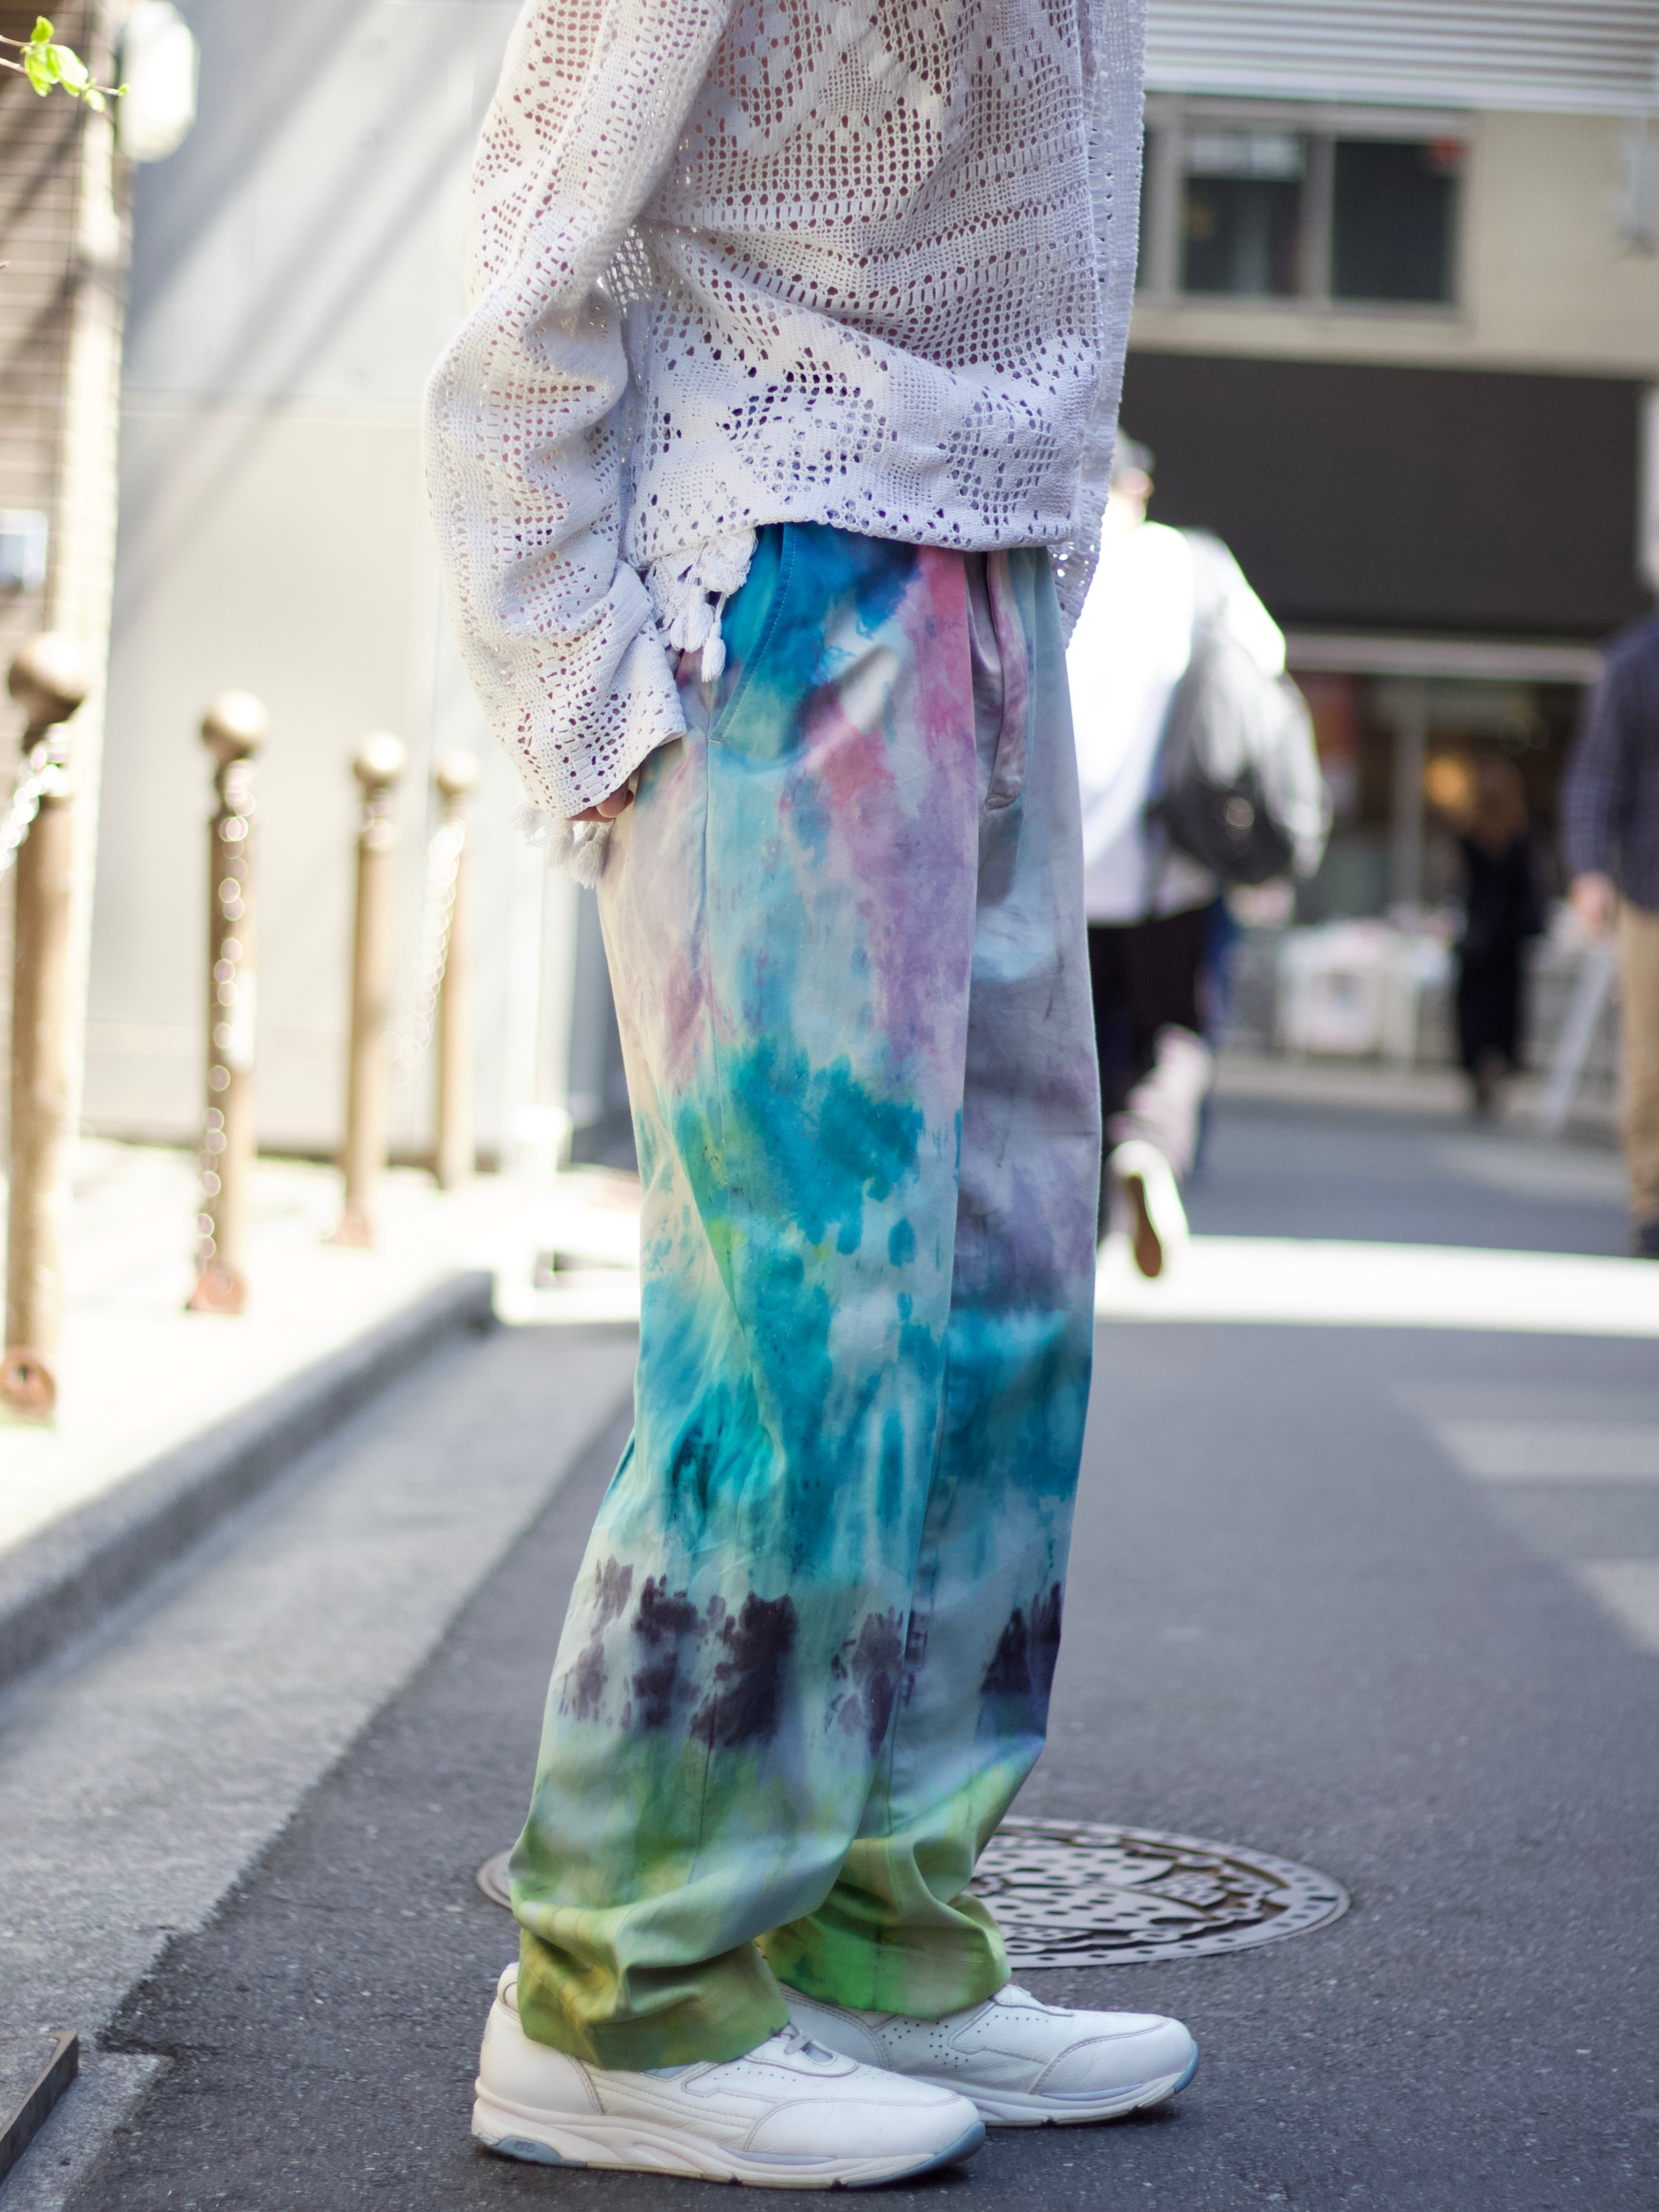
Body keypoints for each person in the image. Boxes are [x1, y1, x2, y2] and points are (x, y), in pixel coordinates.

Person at [423, 0, 1197, 2189]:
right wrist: (584, 693)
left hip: (996, 575)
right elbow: (532, 249)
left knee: (1004, 1302)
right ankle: (620, 1987)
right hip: (769, 568)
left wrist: (1041, 571)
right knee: (800, 1318)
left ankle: (877, 1933)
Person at [1065, 439, 1306, 1277]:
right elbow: (1264, 675)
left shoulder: (1049, 567)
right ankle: (1149, 1145)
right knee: (1174, 1027)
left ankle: (1082, 1216)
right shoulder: (1193, 568)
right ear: (1139, 486)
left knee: (1076, 1040)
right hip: (1172, 862)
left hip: (1059, 869)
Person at [1563, 615, 1659, 1257]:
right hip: (1649, 892)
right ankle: (1650, 1201)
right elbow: (1595, 772)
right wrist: (1589, 870)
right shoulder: (1634, 662)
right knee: (1647, 1057)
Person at [1449, 754, 1542, 1119]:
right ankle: (1497, 1069)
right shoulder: (1520, 839)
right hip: (1507, 943)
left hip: (1477, 941)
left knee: (1475, 1014)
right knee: (1503, 1013)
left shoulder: (1468, 837)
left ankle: (1479, 1072)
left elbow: (1458, 889)